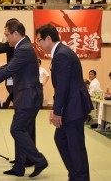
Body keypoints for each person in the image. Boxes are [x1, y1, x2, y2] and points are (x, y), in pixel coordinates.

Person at [0, 19, 48, 178]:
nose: (6, 39)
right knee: (21, 129)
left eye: (7, 35)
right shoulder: (22, 47)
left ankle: (39, 160)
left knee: (17, 129)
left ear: (16, 33)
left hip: (28, 95)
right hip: (23, 94)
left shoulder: (25, 49)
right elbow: (8, 67)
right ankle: (19, 167)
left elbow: (9, 69)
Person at [36, 24, 93, 181]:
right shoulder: (60, 53)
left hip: (73, 107)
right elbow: (61, 86)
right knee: (61, 139)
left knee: (76, 146)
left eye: (39, 40)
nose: (38, 44)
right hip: (70, 105)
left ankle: (80, 177)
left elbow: (63, 86)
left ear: (48, 39)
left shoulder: (62, 54)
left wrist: (57, 111)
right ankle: (74, 174)